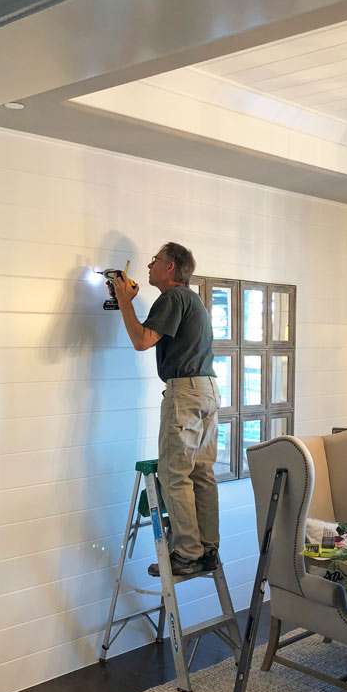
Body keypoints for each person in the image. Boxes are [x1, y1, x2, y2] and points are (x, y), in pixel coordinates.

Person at [113, 242, 220, 577]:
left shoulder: (173, 297)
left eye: (155, 261)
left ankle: (188, 553)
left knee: (175, 475)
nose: (148, 266)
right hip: (208, 390)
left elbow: (142, 340)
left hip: (185, 393)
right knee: (201, 474)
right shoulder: (193, 301)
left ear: (171, 267)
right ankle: (207, 548)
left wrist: (124, 302)